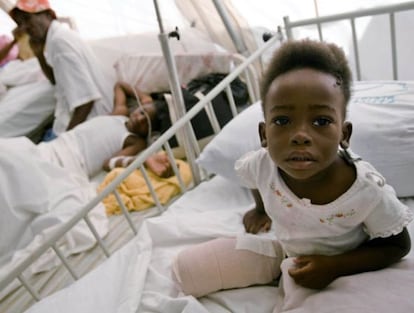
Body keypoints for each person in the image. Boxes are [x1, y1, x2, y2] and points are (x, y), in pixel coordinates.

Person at [234, 39, 412, 290]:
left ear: (344, 134)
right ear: (264, 134)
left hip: (344, 273)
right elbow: (254, 179)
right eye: (283, 120)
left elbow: (399, 246)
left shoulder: (366, 191)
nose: (300, 135)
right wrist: (261, 209)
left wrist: (335, 266)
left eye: (320, 121)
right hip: (291, 259)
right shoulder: (261, 165)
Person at [9, 0, 113, 138]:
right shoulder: (58, 37)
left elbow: (86, 102)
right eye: (20, 23)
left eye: (28, 19)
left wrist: (64, 142)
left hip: (90, 124)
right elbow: (55, 80)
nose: (25, 27)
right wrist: (39, 55)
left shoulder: (59, 43)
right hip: (87, 120)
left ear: (48, 15)